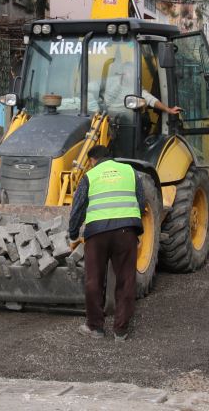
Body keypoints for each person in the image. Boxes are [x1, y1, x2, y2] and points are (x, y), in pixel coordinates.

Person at [68, 145, 145, 341]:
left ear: (93, 160)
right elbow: (141, 202)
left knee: (94, 279)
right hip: (126, 232)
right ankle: (121, 330)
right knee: (126, 279)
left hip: (97, 234)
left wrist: (73, 233)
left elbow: (78, 208)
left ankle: (95, 327)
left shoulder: (90, 176)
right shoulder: (130, 172)